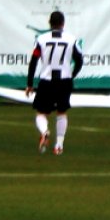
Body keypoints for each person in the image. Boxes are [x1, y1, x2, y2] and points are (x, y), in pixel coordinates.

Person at [26, 11, 83, 155]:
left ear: (49, 23)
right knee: (62, 113)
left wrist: (29, 84)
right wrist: (72, 74)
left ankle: (45, 132)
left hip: (47, 80)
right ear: (63, 24)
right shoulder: (71, 39)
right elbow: (79, 60)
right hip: (64, 80)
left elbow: (33, 61)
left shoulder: (42, 39)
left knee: (41, 113)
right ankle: (59, 145)